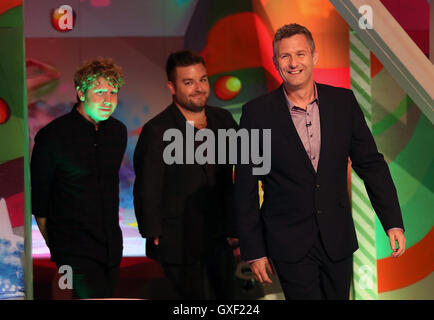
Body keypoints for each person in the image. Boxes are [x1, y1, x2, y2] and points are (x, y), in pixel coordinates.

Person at [234, 23, 406, 300]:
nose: (294, 63)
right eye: (285, 56)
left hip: (337, 238)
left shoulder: (343, 103)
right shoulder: (256, 114)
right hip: (289, 243)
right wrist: (254, 250)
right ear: (275, 61)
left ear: (314, 57)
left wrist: (392, 222)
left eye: (300, 54)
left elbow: (371, 165)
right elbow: (245, 187)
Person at [133, 50, 238, 299]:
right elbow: (147, 184)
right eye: (188, 82)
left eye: (202, 80)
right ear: (172, 86)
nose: (198, 88)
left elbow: (244, 166)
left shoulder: (222, 119)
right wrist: (152, 229)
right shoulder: (157, 130)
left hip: (219, 236)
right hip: (177, 239)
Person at [31, 57, 127, 299]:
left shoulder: (117, 132)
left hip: (112, 247)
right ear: (81, 93)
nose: (108, 100)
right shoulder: (53, 136)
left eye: (113, 92)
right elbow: (40, 201)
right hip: (72, 248)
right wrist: (59, 248)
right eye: (100, 92)